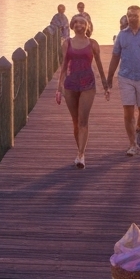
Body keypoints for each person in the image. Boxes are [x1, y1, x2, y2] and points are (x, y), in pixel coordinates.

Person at [54, 13, 109, 168]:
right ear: (72, 25)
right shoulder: (67, 43)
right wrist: (59, 89)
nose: (79, 25)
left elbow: (99, 65)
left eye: (82, 23)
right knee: (76, 122)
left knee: (83, 120)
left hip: (88, 84)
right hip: (70, 85)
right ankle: (80, 150)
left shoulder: (93, 44)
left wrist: (105, 86)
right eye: (76, 22)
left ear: (88, 26)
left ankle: (81, 155)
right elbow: (64, 67)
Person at [107, 5, 140, 157]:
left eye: (135, 15)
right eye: (129, 15)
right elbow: (115, 57)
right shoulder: (122, 35)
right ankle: (132, 144)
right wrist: (109, 77)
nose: (132, 18)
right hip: (125, 77)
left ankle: (138, 128)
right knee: (128, 111)